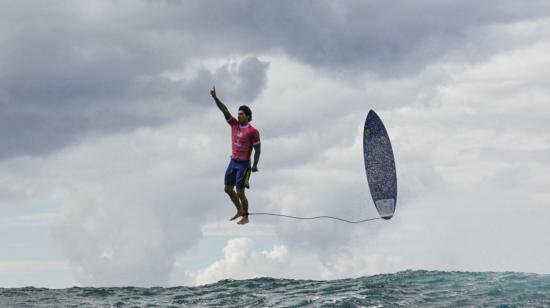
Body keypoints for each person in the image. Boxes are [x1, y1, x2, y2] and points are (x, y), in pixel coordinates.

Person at [210, 85, 261, 225]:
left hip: (244, 165)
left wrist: (255, 165)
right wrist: (215, 98)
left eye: (241, 114)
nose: (238, 116)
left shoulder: (253, 131)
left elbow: (258, 149)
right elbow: (224, 110)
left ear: (248, 117)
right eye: (238, 113)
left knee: (240, 192)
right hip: (233, 162)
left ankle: (246, 216)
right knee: (227, 189)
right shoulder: (234, 124)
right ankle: (239, 210)